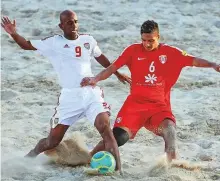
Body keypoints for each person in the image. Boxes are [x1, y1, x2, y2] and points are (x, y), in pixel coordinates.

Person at [1, 10, 131, 172]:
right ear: (61, 25)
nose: (74, 25)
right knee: (52, 142)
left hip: (91, 93)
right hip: (70, 97)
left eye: (75, 21)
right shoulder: (54, 42)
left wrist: (117, 73)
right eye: (69, 22)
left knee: (106, 131)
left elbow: (100, 57)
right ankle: (29, 158)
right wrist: (14, 33)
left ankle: (118, 172)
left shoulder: (88, 40)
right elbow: (26, 45)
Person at [81, 20, 220, 162]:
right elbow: (111, 68)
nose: (147, 44)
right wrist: (95, 79)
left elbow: (194, 61)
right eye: (144, 40)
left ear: (158, 37)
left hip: (159, 107)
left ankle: (171, 163)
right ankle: (88, 157)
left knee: (170, 129)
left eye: (151, 41)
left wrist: (213, 65)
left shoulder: (171, 52)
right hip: (134, 106)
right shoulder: (132, 50)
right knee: (118, 138)